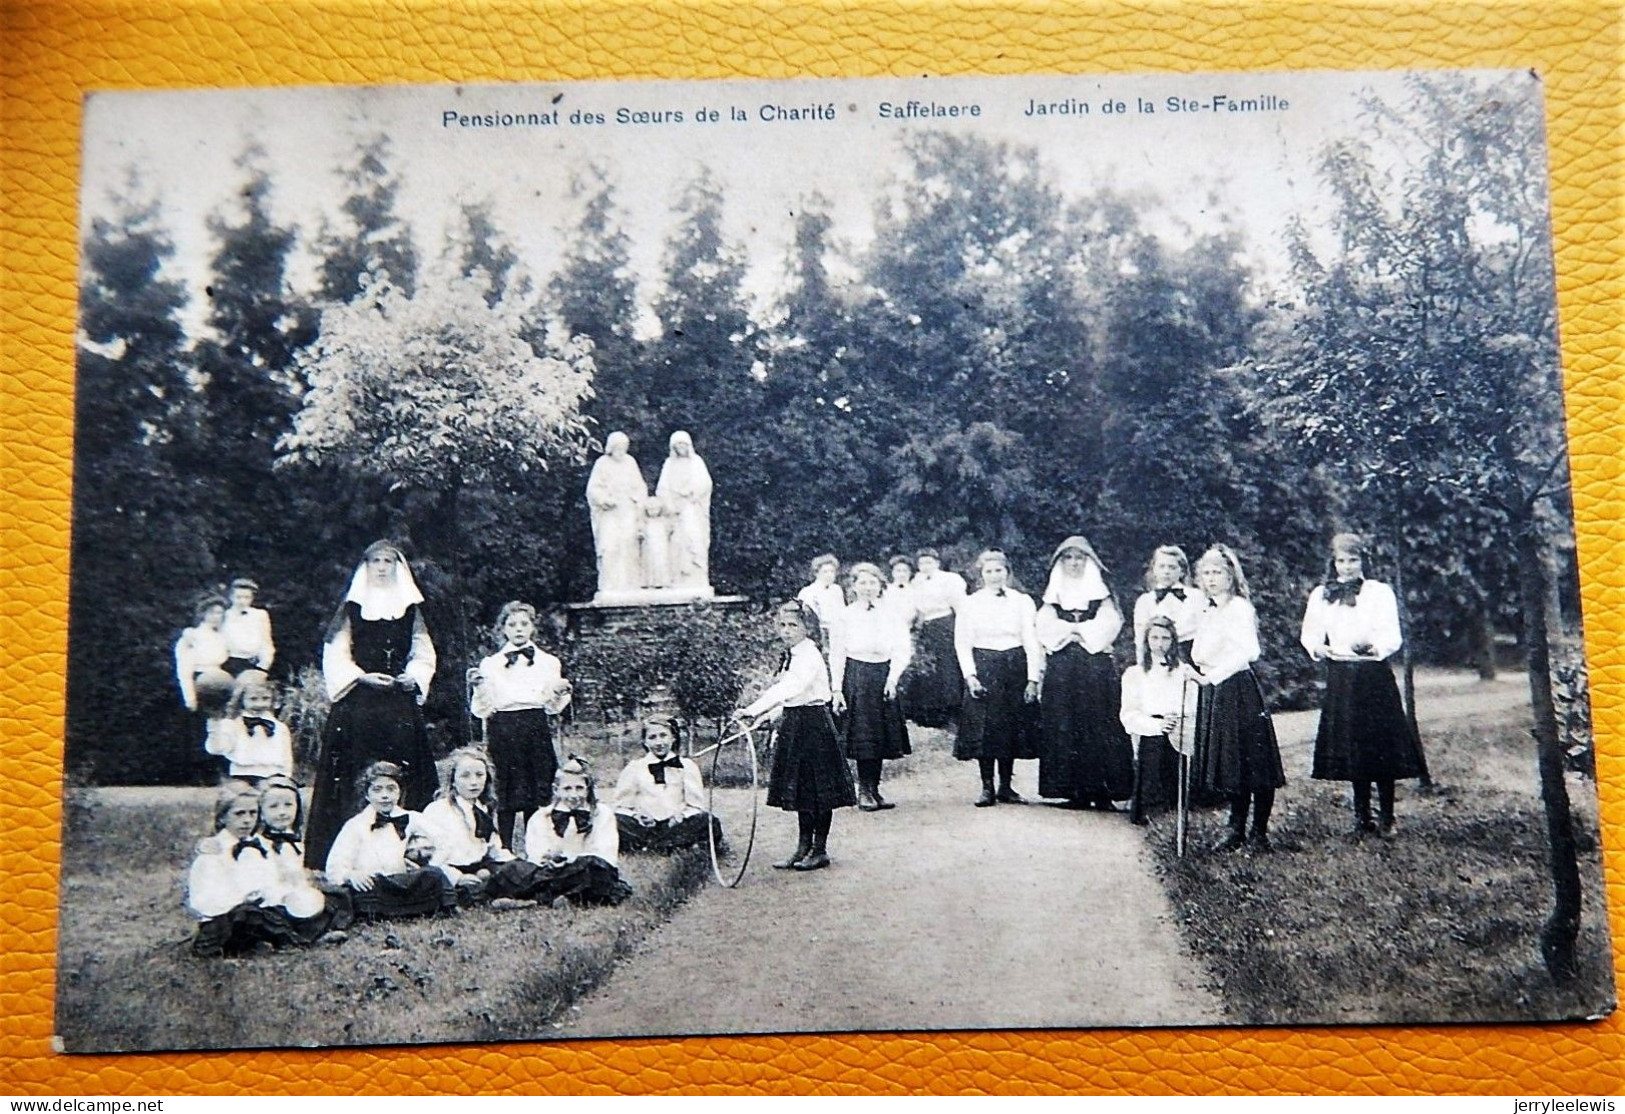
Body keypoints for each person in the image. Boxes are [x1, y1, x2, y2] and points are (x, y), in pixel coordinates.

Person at [305, 541, 438, 869]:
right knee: (354, 770)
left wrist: (414, 676)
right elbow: (335, 652)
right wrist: (361, 677)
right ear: (366, 565)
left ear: (398, 566)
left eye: (388, 561)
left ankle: (412, 853)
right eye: (376, 561)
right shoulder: (352, 607)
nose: (382, 567)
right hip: (359, 703)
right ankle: (347, 853)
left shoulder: (410, 609)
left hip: (398, 701)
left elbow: (423, 651)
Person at [1300, 532, 1427, 837]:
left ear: (1364, 560)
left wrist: (1374, 647)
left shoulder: (1379, 593)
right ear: (1333, 562)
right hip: (1341, 675)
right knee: (1352, 746)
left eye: (1352, 560)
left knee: (1379, 745)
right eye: (1341, 560)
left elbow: (1392, 635)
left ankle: (1387, 816)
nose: (1346, 567)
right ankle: (1361, 817)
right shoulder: (1321, 594)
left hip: (1372, 674)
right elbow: (1309, 634)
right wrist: (1320, 649)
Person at [735, 601, 856, 871]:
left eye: (793, 625)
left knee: (819, 790)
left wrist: (753, 709)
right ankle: (803, 847)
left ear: (808, 628)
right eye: (783, 625)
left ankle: (820, 849)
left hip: (814, 725)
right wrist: (768, 716)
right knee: (802, 789)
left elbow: (794, 687)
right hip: (796, 722)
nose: (786, 630)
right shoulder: (792, 654)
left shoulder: (809, 655)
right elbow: (790, 698)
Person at [1188, 546, 1285, 853]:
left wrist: (1212, 676)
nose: (1211, 579)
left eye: (1218, 572)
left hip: (1237, 689)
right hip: (1214, 690)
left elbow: (1248, 652)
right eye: (1206, 573)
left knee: (1254, 762)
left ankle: (1258, 833)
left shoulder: (1239, 608)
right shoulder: (1208, 609)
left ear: (1231, 576)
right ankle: (1235, 829)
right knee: (1232, 763)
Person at [1035, 536, 1133, 811]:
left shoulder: (1101, 591)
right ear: (1060, 562)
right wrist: (1070, 633)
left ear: (1088, 560)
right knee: (1066, 721)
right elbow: (1044, 623)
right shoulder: (1054, 591)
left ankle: (1103, 792)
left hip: (1094, 664)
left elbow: (1110, 621)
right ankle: (1073, 790)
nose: (1074, 563)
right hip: (1064, 665)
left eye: (1079, 557)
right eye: (1068, 558)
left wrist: (1081, 633)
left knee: (1099, 721)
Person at [469, 601, 570, 853]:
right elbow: (482, 708)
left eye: (524, 624)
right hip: (503, 727)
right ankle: (503, 848)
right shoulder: (490, 664)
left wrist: (559, 692)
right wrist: (479, 686)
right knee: (506, 788)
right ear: (502, 629)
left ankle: (535, 847)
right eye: (512, 624)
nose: (518, 629)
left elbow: (552, 706)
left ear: (533, 627)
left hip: (535, 725)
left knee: (537, 788)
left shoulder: (548, 662)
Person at [953, 550, 1042, 807]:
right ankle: (986, 787)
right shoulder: (970, 603)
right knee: (986, 728)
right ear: (981, 575)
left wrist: (1032, 678)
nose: (994, 576)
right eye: (989, 571)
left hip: (1015, 664)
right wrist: (970, 675)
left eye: (999, 571)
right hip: (985, 665)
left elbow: (1031, 640)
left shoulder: (1022, 601)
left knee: (1010, 726)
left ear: (1007, 572)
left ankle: (1006, 786)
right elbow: (962, 643)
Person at [487, 757, 632, 908]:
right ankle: (561, 898)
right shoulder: (541, 817)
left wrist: (571, 856)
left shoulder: (602, 814)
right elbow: (535, 855)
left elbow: (606, 855)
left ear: (588, 789)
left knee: (595, 869)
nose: (574, 795)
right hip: (549, 873)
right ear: (556, 790)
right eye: (567, 789)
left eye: (579, 788)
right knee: (511, 870)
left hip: (583, 870)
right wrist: (550, 859)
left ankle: (537, 901)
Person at [323, 761, 456, 920]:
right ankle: (398, 910)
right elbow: (334, 867)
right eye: (377, 790)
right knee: (362, 892)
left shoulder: (409, 818)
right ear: (367, 795)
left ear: (399, 792)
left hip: (402, 882)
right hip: (375, 885)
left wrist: (431, 864)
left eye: (391, 789)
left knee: (434, 875)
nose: (384, 795)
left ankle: (421, 907)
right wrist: (351, 875)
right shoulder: (355, 825)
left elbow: (445, 841)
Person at [829, 562, 912, 811]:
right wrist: (837, 689)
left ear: (880, 586)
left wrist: (892, 678)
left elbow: (902, 647)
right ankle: (863, 790)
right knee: (864, 736)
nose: (867, 587)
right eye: (862, 583)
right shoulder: (844, 615)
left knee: (881, 736)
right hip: (857, 675)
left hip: (883, 674)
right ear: (853, 587)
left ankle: (875, 789)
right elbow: (837, 653)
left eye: (872, 582)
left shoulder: (891, 614)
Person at [186, 781, 289, 957]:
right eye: (239, 814)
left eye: (252, 813)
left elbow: (272, 881)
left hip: (261, 911)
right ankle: (289, 941)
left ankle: (268, 941)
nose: (247, 820)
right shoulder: (213, 851)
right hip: (225, 920)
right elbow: (201, 902)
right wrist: (241, 900)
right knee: (249, 915)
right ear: (222, 817)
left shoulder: (261, 845)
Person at [257, 775, 352, 943]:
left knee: (338, 897)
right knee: (270, 917)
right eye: (273, 806)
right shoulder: (259, 845)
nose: (282, 812)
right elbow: (263, 882)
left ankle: (323, 930)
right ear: (261, 814)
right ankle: (299, 938)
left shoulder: (297, 842)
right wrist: (283, 896)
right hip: (274, 899)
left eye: (288, 805)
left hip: (300, 896)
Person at [1120, 617, 1196, 825]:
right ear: (1146, 641)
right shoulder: (1134, 674)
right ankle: (1152, 807)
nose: (1160, 643)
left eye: (1165, 638)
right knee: (1154, 750)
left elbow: (1193, 705)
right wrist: (1156, 726)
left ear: (1173, 641)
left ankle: (1177, 806)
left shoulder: (1184, 672)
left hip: (1180, 729)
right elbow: (1129, 714)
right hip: (1152, 731)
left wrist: (1177, 720)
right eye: (1154, 638)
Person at [612, 717, 720, 852]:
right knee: (616, 821)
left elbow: (696, 806)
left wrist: (680, 816)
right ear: (644, 742)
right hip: (645, 827)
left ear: (673, 738)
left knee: (708, 821)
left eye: (663, 736)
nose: (659, 742)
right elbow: (621, 806)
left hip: (675, 825)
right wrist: (637, 816)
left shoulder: (686, 766)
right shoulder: (634, 767)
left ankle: (657, 845)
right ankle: (666, 845)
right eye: (652, 737)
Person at [421, 747, 512, 900]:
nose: (474, 782)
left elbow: (494, 848)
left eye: (479, 775)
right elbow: (430, 859)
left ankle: (499, 894)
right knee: (457, 890)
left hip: (480, 865)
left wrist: (514, 863)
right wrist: (457, 877)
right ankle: (490, 896)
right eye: (465, 776)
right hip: (450, 869)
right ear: (453, 781)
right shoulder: (437, 810)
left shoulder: (484, 808)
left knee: (515, 872)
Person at [905, 547, 967, 728]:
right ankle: (934, 711)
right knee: (930, 668)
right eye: (922, 562)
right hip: (927, 627)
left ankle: (954, 709)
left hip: (946, 623)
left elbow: (961, 606)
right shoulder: (916, 581)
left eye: (929, 562)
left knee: (948, 666)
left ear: (937, 563)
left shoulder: (950, 580)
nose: (925, 566)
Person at [585, 431, 649, 598]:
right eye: (618, 447)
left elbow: (640, 487)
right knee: (610, 546)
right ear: (611, 448)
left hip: (627, 509)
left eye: (624, 447)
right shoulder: (602, 464)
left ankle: (630, 584)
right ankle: (610, 585)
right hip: (610, 513)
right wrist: (604, 499)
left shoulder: (630, 463)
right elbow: (593, 489)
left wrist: (637, 499)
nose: (621, 451)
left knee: (629, 545)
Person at [204, 673, 294, 782]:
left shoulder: (280, 727)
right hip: (242, 775)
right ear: (241, 700)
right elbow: (218, 749)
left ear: (273, 699)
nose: (259, 704)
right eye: (253, 699)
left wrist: (286, 776)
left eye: (265, 698)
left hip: (274, 775)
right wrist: (215, 731)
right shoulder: (233, 725)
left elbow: (286, 757)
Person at [655, 430, 713, 592]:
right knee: (676, 542)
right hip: (675, 510)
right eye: (677, 445)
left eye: (683, 444)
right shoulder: (669, 464)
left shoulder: (696, 462)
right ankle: (678, 576)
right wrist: (670, 504)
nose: (681, 447)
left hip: (692, 507)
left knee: (693, 539)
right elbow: (662, 488)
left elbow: (705, 483)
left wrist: (691, 493)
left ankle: (695, 573)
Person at [1132, 546, 1204, 659]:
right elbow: (1140, 639)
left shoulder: (1196, 596)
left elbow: (1204, 630)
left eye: (1172, 567)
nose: (1166, 572)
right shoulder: (1145, 601)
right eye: (1162, 567)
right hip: (1159, 657)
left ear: (1182, 571)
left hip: (1192, 655)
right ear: (1154, 570)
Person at [175, 596, 234, 717]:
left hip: (222, 684)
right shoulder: (192, 636)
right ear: (202, 614)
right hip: (199, 685)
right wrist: (190, 699)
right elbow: (184, 672)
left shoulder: (221, 637)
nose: (216, 617)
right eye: (212, 613)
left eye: (220, 613)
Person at [220, 578, 275, 676]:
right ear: (231, 597)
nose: (242, 601)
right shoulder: (224, 615)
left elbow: (266, 642)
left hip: (252, 663)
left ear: (252, 598)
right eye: (238, 597)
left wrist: (263, 666)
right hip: (228, 663)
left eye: (246, 597)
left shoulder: (260, 615)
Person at [795, 554, 845, 645]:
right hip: (817, 635)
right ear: (816, 573)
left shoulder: (837, 590)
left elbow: (842, 613)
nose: (829, 575)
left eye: (832, 572)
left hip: (838, 634)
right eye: (825, 572)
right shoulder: (807, 592)